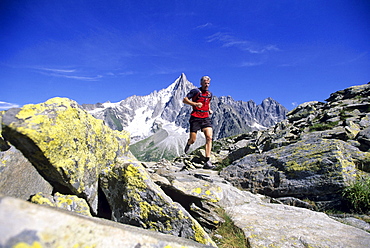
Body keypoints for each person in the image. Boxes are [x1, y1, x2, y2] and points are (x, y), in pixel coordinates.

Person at [183, 76, 215, 169]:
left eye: (208, 83)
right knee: (193, 139)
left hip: (205, 117)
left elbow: (207, 102)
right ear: (201, 83)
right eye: (205, 83)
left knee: (209, 137)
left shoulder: (209, 94)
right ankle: (188, 144)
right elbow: (184, 100)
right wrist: (195, 104)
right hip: (195, 118)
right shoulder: (196, 91)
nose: (207, 85)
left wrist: (209, 109)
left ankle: (207, 161)